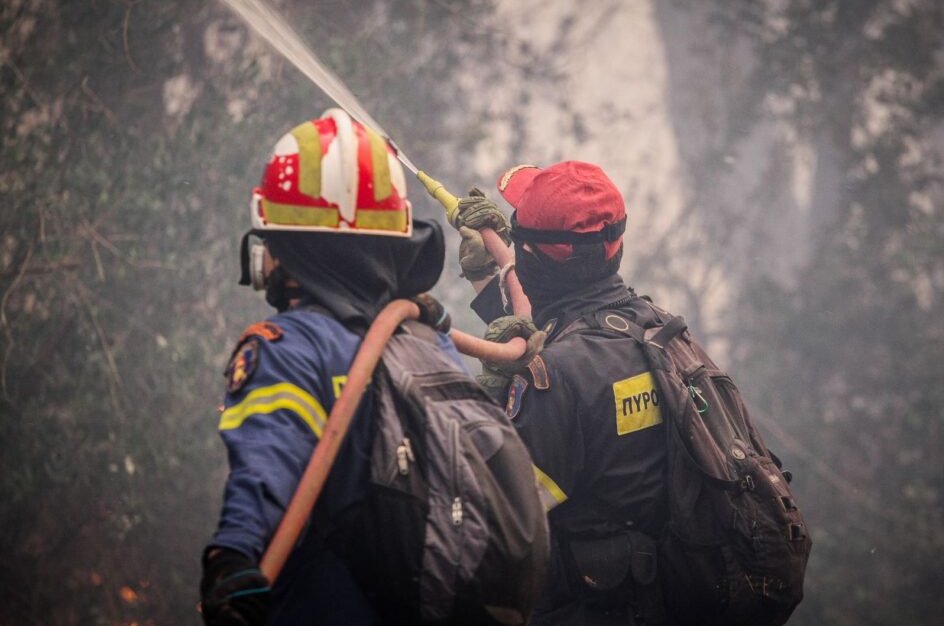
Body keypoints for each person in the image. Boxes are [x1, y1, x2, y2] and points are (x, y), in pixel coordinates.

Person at [199, 109, 464, 625]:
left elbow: (268, 460)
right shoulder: (430, 340)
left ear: (288, 245)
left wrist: (231, 556)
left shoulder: (289, 350)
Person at [456, 161, 672, 625]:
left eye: (518, 241)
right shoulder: (653, 328)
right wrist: (486, 274)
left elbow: (493, 514)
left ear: (533, 260)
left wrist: (492, 392)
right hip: (655, 598)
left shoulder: (557, 379)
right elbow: (555, 330)